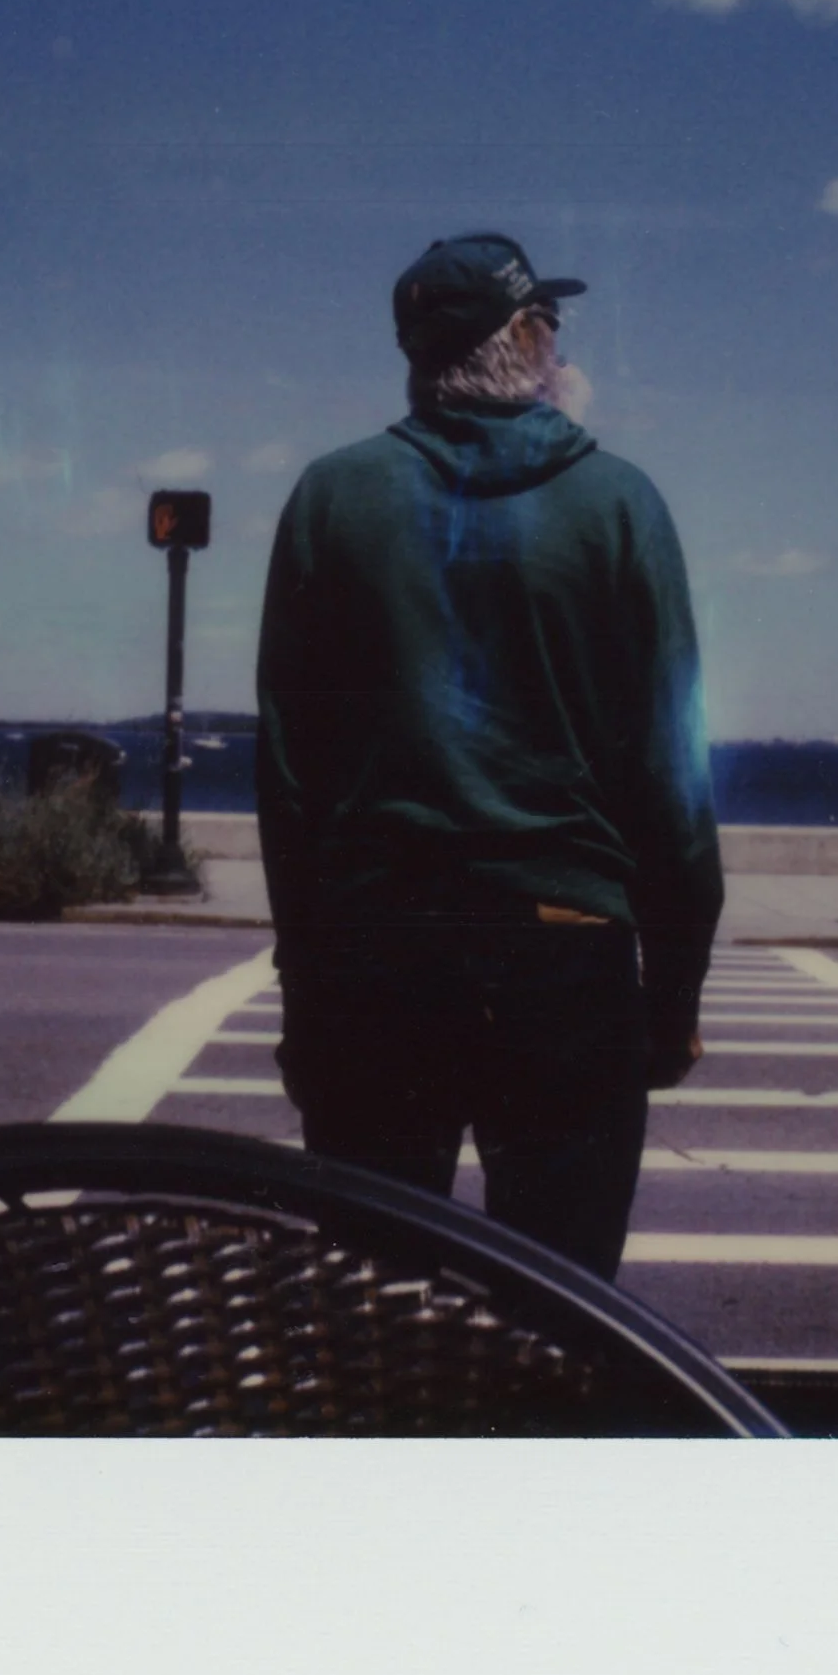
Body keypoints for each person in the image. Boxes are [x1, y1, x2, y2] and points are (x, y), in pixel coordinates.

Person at [255, 232, 722, 1281]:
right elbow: (670, 781)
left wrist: (305, 993)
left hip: (377, 961)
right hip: (562, 956)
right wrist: (674, 996)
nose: (558, 341)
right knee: (558, 1321)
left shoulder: (331, 498)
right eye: (548, 321)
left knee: (373, 1314)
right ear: (524, 338)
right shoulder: (619, 504)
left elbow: (291, 779)